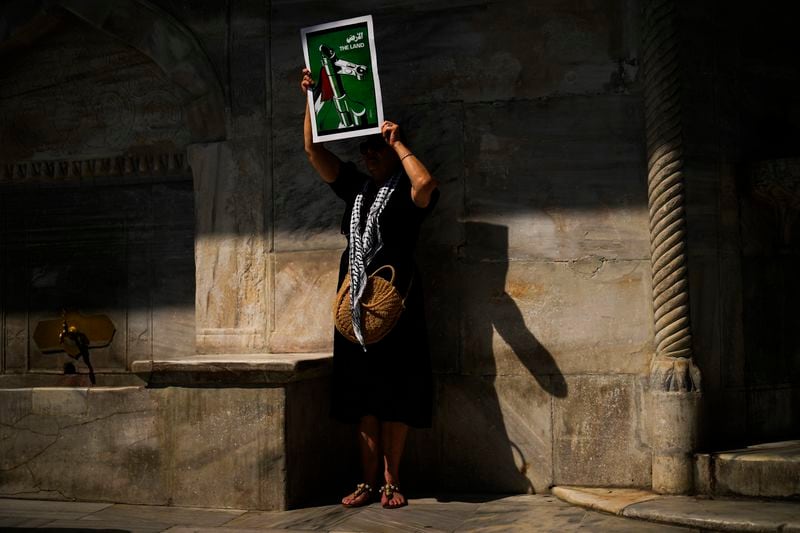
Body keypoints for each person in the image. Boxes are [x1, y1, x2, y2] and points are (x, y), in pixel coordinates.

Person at [301, 68, 439, 509]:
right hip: (356, 307)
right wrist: (310, 99)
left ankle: (392, 480)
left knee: (396, 394)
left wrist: (398, 143)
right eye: (366, 148)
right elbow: (312, 150)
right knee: (362, 395)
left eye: (376, 147)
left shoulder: (404, 191)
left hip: (396, 306)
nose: (369, 154)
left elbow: (425, 184)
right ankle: (365, 481)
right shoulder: (356, 189)